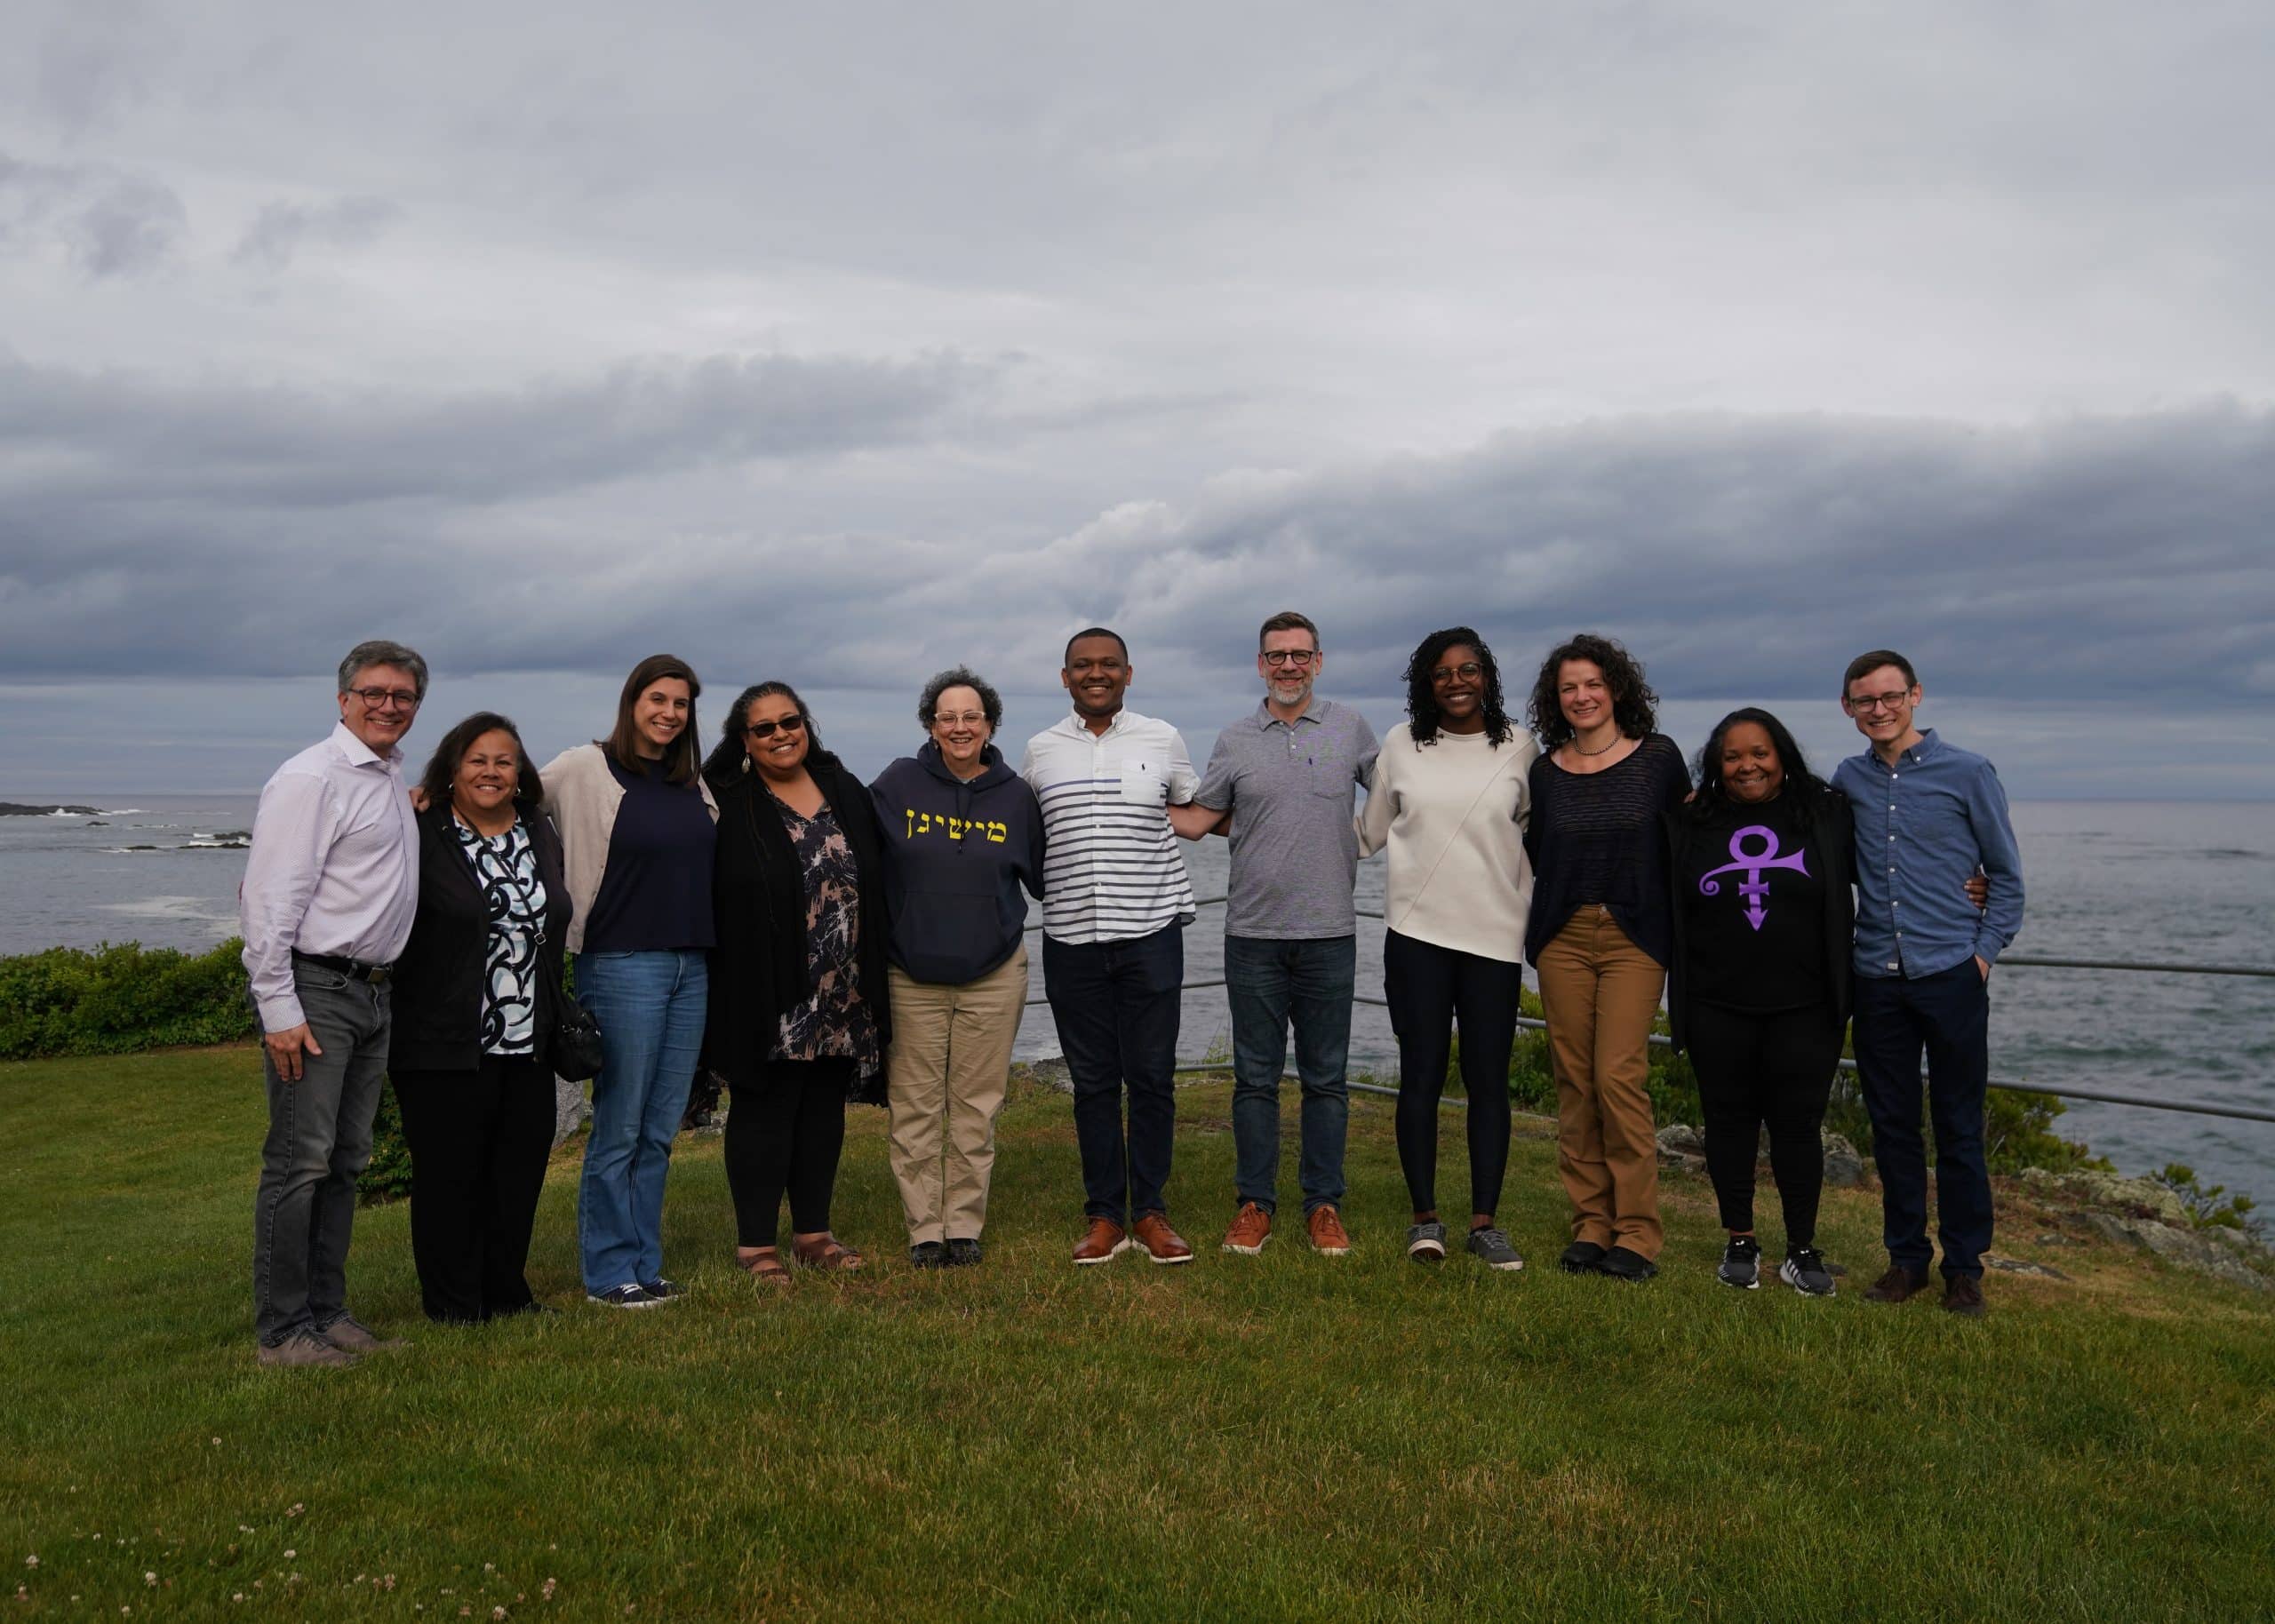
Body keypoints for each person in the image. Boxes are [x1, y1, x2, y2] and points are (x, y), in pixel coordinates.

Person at [241, 638, 425, 1367]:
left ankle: (327, 1311)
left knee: (346, 1161)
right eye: (374, 693)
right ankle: (283, 1333)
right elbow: (268, 898)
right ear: (343, 699)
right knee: (299, 1163)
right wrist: (278, 1007)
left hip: (372, 994)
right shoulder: (311, 778)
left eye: (403, 696)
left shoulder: (384, 776)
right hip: (315, 992)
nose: (389, 705)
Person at [1834, 649, 2024, 1318]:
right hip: (1876, 979)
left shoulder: (1969, 772)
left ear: (1915, 695)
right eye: (1865, 700)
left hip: (1951, 974)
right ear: (1848, 708)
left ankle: (1965, 1270)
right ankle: (1906, 1262)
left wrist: (1982, 954)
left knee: (1959, 1127)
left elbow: (2004, 875)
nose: (1879, 710)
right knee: (1891, 1128)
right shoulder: (1846, 781)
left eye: (1890, 696)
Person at [1185, 611, 1378, 1257]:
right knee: (1254, 1080)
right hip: (1253, 936)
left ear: (1319, 661)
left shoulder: (1351, 728)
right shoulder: (1235, 738)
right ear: (1260, 664)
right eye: (1276, 656)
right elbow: (1204, 815)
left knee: (1327, 1080)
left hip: (1331, 934)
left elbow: (1402, 794)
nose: (1289, 665)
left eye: (1300, 654)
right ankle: (1254, 1204)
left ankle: (1324, 1204)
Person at [1021, 627, 1214, 1265]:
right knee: (1094, 1084)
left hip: (1152, 934)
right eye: (1083, 665)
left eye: (1108, 664)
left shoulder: (1163, 739)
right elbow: (1023, 836)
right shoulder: (1039, 752)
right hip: (1071, 938)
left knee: (1154, 1080)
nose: (1095, 673)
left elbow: (1197, 812)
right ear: (1065, 676)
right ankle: (1105, 1216)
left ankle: (1152, 1212)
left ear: (1129, 674)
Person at [541, 655, 718, 1310]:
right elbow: (501, 795)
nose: (669, 713)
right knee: (619, 1125)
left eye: (681, 704)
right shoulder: (583, 768)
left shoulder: (692, 785)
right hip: (620, 965)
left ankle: (646, 1263)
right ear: (632, 701)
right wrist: (428, 797)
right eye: (658, 699)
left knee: (659, 1127)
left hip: (690, 966)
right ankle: (608, 1272)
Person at [1357, 627, 1536, 1271]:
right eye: (1441, 674)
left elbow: (1543, 837)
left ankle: (1486, 1223)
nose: (1455, 682)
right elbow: (1365, 835)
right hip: (1416, 937)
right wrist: (1263, 821)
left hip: (1494, 939)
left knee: (1489, 1082)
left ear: (1486, 674)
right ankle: (1424, 1218)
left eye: (1468, 670)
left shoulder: (1521, 747)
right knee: (1421, 1078)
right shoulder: (1402, 745)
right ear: (1424, 684)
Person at [705, 682, 892, 1284]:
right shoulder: (726, 797)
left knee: (821, 1109)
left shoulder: (840, 785)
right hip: (768, 983)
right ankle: (756, 1244)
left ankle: (814, 1233)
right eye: (765, 728)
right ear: (744, 741)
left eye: (791, 721)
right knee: (765, 1105)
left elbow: (883, 860)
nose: (781, 734)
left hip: (844, 982)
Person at [389, 712, 572, 1322]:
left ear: (520, 773)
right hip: (443, 1040)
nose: (491, 771)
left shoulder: (539, 830)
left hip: (529, 1041)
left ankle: (506, 1292)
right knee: (449, 1179)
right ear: (452, 769)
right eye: (477, 760)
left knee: (517, 1175)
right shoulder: (422, 828)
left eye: (504, 761)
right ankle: (453, 1305)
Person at [1664, 709, 1854, 1296]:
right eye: (1733, 756)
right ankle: (1740, 1240)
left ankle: (1802, 1248)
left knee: (1798, 1128)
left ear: (1782, 756)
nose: (1748, 765)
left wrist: (1974, 886)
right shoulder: (1691, 821)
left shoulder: (1825, 812)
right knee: (1728, 1124)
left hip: (1807, 1004)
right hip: (1717, 1003)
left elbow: (1885, 872)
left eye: (1760, 753)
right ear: (1716, 765)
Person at [1524, 633, 1689, 1283]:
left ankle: (1638, 1232)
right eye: (1569, 687)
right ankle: (1591, 1224)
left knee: (1618, 1078)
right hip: (1563, 937)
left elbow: (1692, 838)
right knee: (1575, 1082)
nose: (1582, 696)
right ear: (1555, 699)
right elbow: (1538, 852)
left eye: (1593, 683)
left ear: (1616, 688)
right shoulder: (1545, 770)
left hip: (1635, 937)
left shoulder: (1658, 759)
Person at [869, 668, 1045, 1268]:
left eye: (972, 716)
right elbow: (857, 857)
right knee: (915, 1107)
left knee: (976, 1107)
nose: (961, 726)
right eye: (949, 716)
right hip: (910, 975)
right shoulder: (896, 784)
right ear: (931, 725)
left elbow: (1047, 876)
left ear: (990, 725)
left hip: (993, 975)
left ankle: (964, 1225)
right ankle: (924, 1228)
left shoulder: (1016, 795)